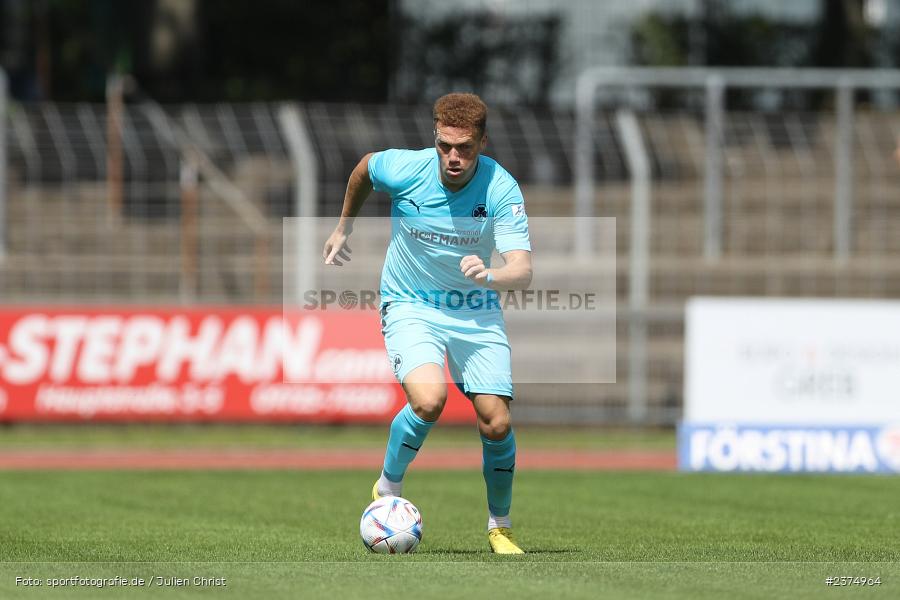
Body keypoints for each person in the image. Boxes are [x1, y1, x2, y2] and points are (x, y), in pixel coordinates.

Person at [323, 93, 532, 554]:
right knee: (429, 398)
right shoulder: (404, 168)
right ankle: (387, 487)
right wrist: (344, 226)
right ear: (434, 137)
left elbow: (523, 269)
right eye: (445, 146)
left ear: (482, 142)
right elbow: (363, 169)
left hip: (475, 309)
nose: (454, 158)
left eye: (466, 148)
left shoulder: (501, 188)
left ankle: (500, 526)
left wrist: (492, 274)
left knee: (496, 422)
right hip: (410, 304)